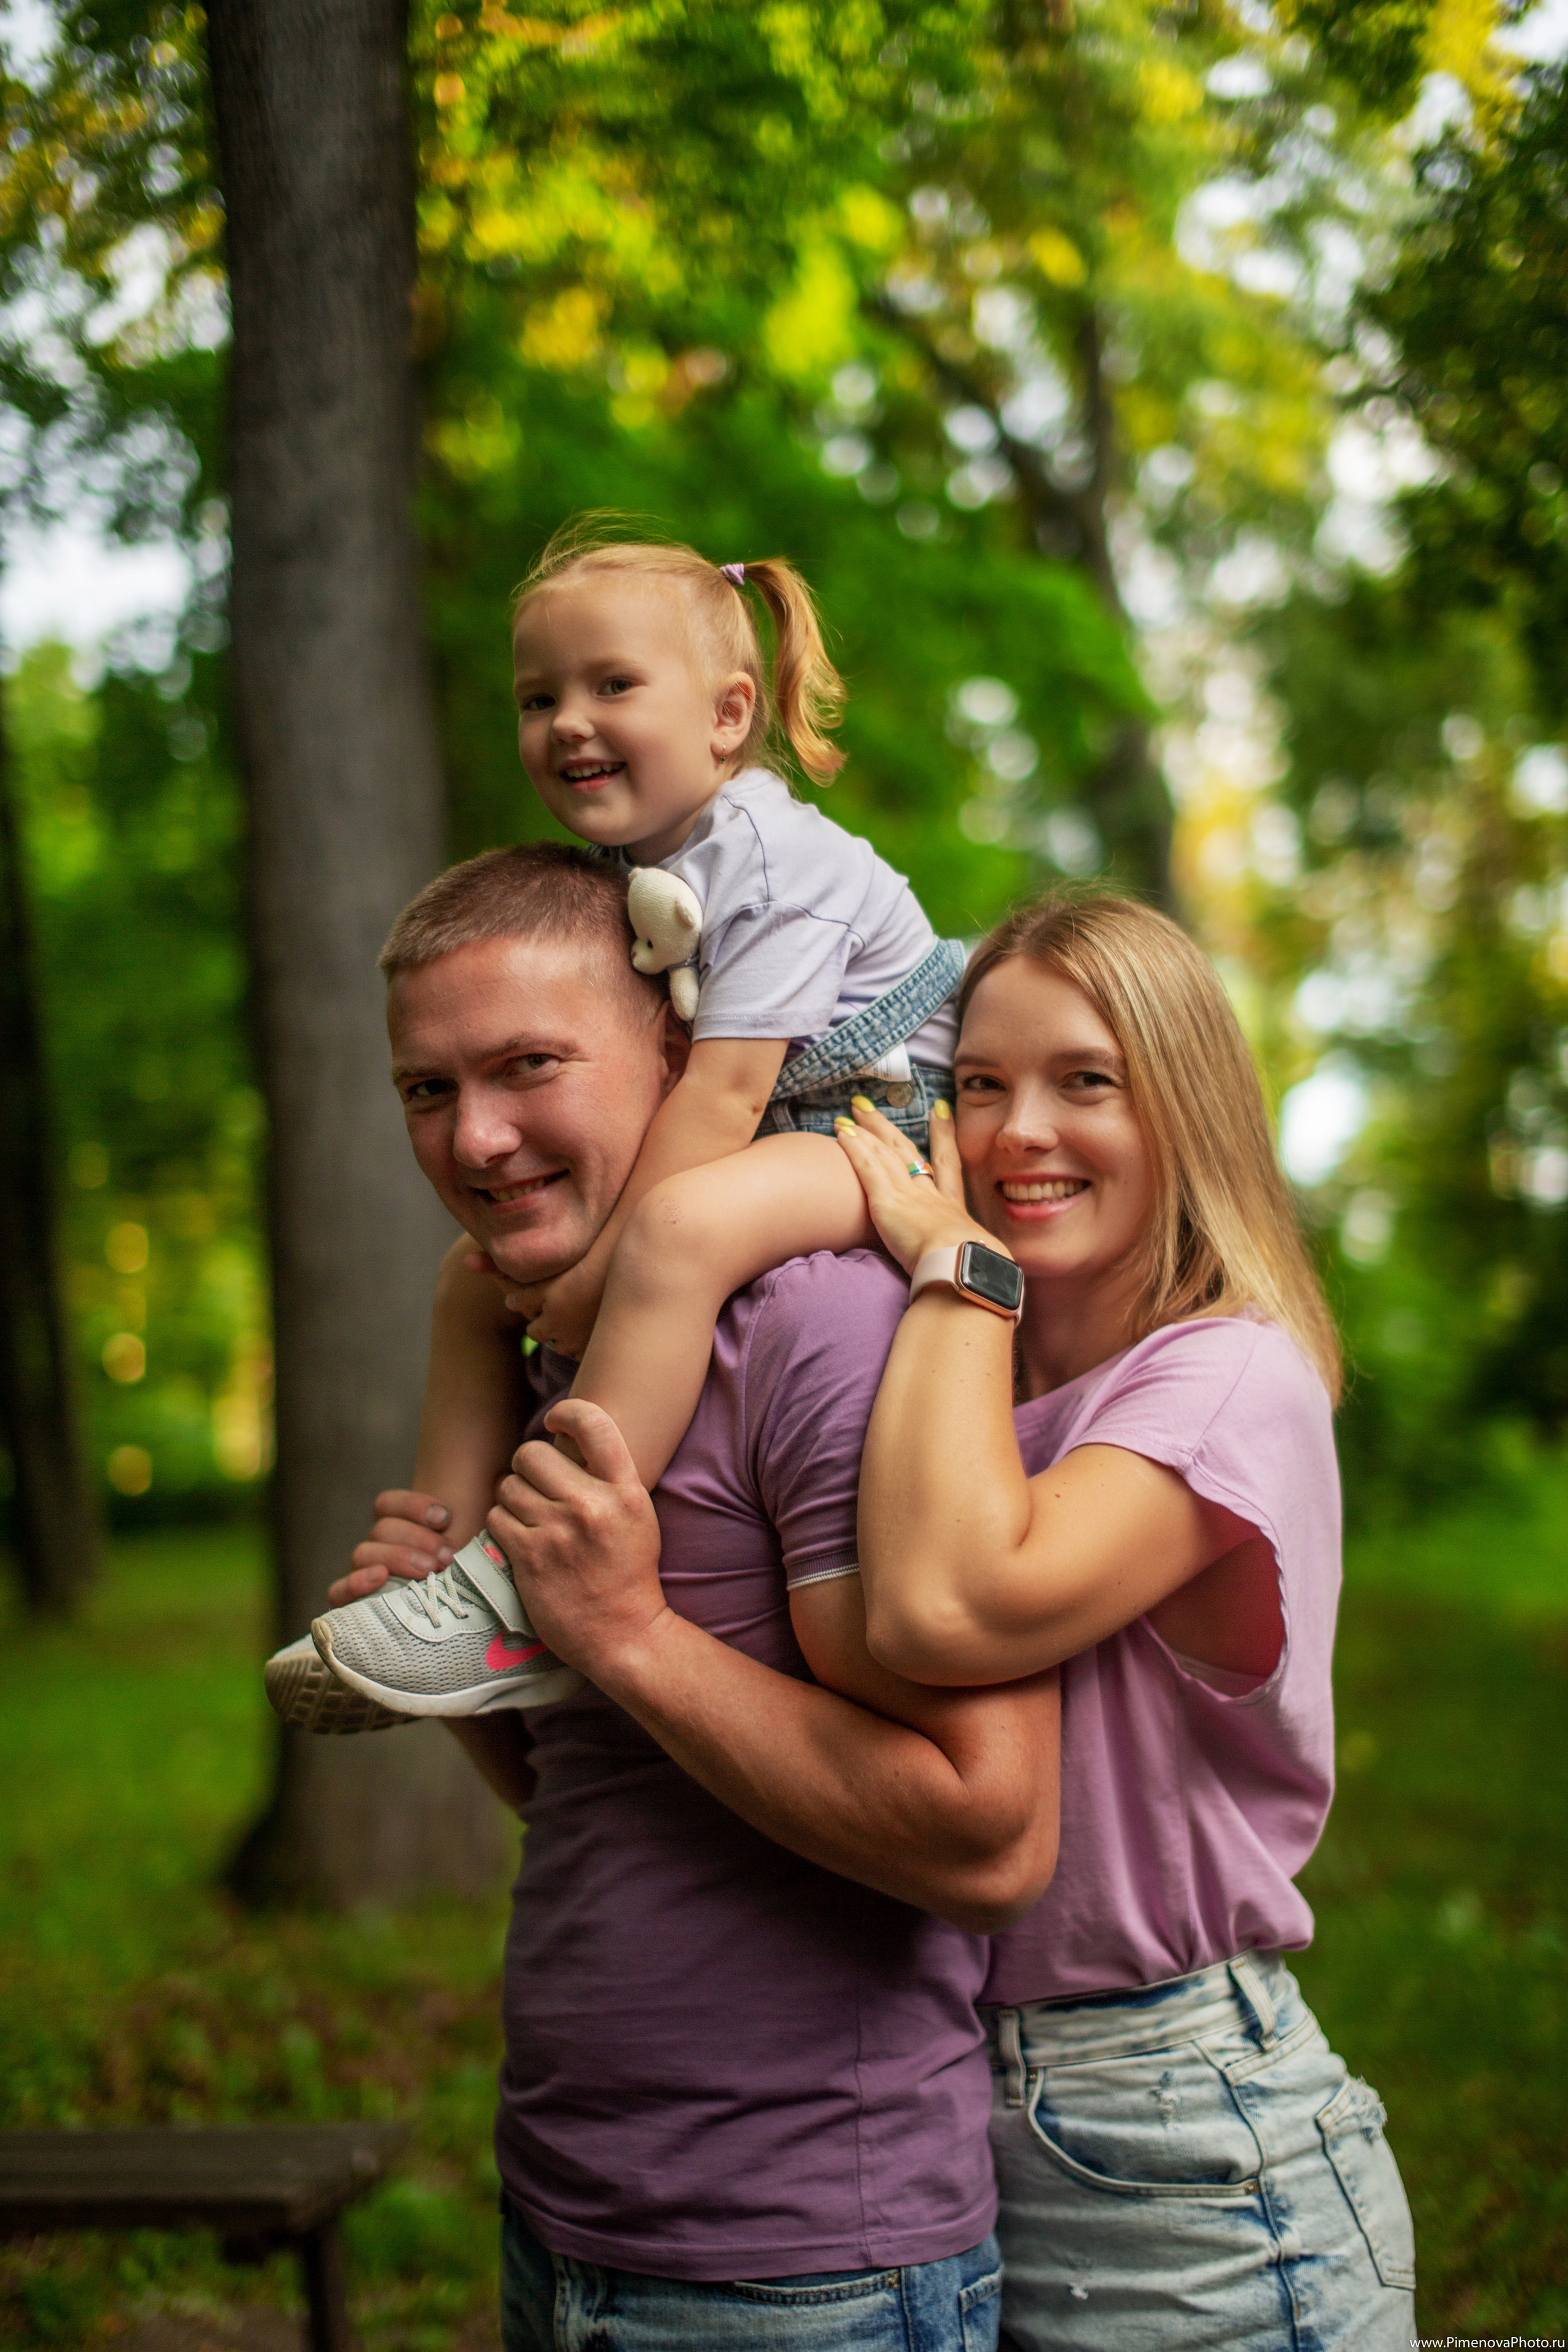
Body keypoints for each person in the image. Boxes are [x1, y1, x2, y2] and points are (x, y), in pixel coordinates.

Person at [279, 842, 1061, 2352]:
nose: (478, 1139)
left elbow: (987, 1833)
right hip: (564, 2213)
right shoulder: (549, 1346)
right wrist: (481, 1677)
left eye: (527, 1067)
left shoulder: (824, 1329)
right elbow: (621, 1790)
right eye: (427, 1091)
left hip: (805, 2268)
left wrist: (625, 1634)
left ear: (676, 1049)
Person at [820, 892, 1419, 2350]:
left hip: (1180, 2151)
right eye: (978, 1084)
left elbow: (949, 1609)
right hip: (939, 2115)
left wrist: (956, 1268)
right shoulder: (974, 1380)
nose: (1017, 1130)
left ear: (1183, 1109)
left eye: (1084, 1081)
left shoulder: (1228, 1376)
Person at [306, 519, 970, 1716]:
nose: (566, 721)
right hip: (797, 1120)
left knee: (678, 1238)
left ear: (724, 717)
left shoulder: (761, 856)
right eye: (537, 697)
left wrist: (602, 1267)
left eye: (611, 685)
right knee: (469, 1279)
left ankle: (522, 1589)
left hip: (891, 1127)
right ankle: (437, 1578)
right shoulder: (642, 866)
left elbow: (718, 1095)